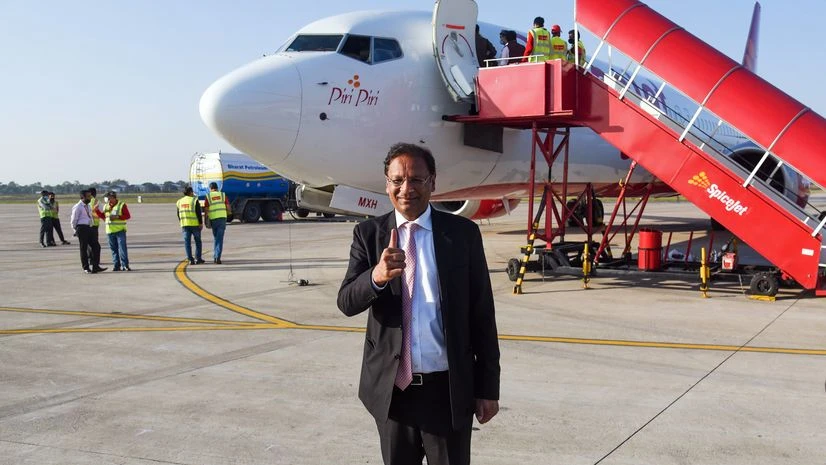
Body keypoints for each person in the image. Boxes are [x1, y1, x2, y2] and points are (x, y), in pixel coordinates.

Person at [338, 143, 500, 465]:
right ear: (387, 184)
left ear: (433, 182)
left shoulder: (462, 234)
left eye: (416, 180)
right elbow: (346, 301)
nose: (406, 189)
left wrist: (488, 387)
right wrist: (377, 276)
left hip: (448, 391)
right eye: (397, 180)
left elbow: (482, 314)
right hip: (393, 393)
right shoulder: (368, 234)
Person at [70, 190, 106, 274]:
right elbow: (73, 220)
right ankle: (86, 267)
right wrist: (75, 230)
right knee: (84, 248)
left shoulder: (88, 206)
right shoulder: (78, 206)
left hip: (90, 227)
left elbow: (90, 216)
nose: (90, 198)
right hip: (81, 228)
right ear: (83, 197)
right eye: (88, 196)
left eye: (90, 196)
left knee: (96, 247)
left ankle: (95, 266)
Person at [96, 191, 131, 271]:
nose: (106, 199)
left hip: (120, 231)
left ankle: (125, 265)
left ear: (112, 197)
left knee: (122, 248)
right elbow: (104, 217)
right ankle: (116, 265)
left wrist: (117, 217)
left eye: (107, 197)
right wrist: (97, 211)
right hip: (110, 231)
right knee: (114, 250)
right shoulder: (106, 206)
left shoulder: (121, 205)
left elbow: (128, 216)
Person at [176, 186, 204, 265]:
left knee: (187, 243)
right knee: (198, 242)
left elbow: (178, 214)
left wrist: (181, 221)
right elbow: (199, 213)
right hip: (195, 225)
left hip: (185, 225)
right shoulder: (194, 200)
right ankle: (198, 259)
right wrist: (201, 223)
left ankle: (190, 259)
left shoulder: (179, 201)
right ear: (190, 192)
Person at [204, 182, 230, 264]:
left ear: (210, 188)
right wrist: (229, 213)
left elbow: (206, 209)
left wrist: (206, 218)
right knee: (219, 239)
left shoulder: (208, 196)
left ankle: (216, 256)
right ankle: (217, 257)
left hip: (213, 219)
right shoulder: (222, 195)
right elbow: (228, 206)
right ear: (217, 187)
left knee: (216, 238)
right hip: (222, 219)